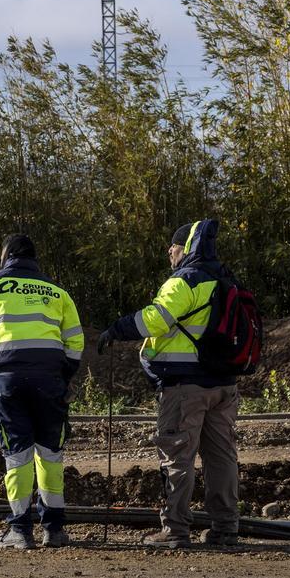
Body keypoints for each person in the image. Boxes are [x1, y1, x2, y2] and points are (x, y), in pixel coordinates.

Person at [97, 219, 240, 549]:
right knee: (222, 458)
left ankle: (174, 530)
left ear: (186, 248)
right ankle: (225, 528)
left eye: (173, 247)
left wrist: (117, 328)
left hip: (185, 386)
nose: (169, 252)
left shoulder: (185, 280)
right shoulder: (226, 278)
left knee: (177, 457)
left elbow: (155, 320)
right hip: (224, 385)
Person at [0, 234, 84, 550]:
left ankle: (20, 531)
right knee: (51, 453)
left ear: (5, 257)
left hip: (7, 379)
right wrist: (60, 376)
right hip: (49, 380)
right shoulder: (57, 292)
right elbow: (76, 343)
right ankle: (54, 530)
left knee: (17, 454)